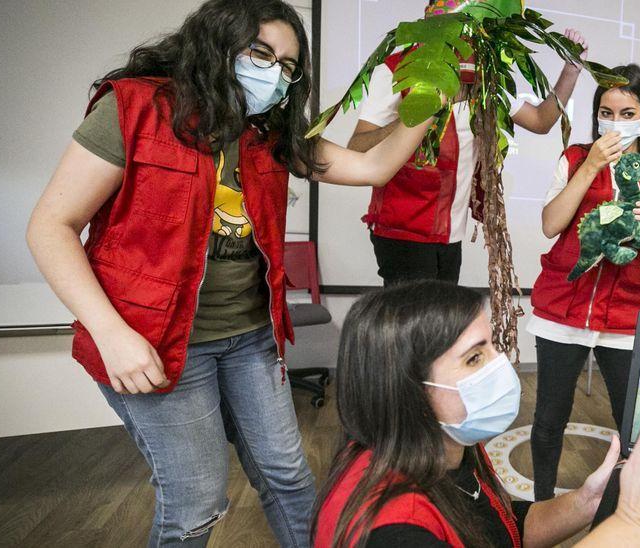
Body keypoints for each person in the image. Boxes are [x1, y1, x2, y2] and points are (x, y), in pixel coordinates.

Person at [25, 1, 438, 545]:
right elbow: (51, 226)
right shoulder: (136, 107)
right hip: (159, 345)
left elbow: (373, 167)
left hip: (250, 339)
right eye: (261, 53)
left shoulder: (270, 132)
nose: (275, 73)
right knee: (196, 504)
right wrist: (112, 335)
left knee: (289, 479)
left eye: (288, 67)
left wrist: (434, 97)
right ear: (215, 43)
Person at [312, 281, 640, 547]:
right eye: (474, 358)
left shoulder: (448, 449)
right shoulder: (396, 533)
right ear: (407, 389)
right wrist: (636, 523)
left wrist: (587, 501)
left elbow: (503, 530)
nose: (502, 364)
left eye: (492, 346)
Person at [526, 64, 640, 501]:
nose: (615, 122)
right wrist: (590, 165)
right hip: (562, 309)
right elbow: (550, 223)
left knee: (629, 420)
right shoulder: (575, 157)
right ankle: (542, 503)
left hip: (625, 317)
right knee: (549, 418)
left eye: (626, 112)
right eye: (606, 111)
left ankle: (626, 505)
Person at [346, 3, 590, 286]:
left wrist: (572, 69)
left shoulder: (481, 79)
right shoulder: (398, 69)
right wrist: (415, 118)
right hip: (403, 231)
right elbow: (356, 149)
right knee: (415, 328)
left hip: (450, 236)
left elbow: (540, 120)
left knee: (445, 328)